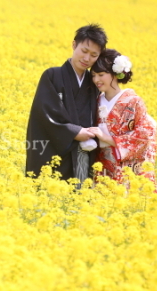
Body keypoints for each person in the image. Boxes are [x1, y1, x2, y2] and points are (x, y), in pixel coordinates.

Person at [25, 24, 107, 187]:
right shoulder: (52, 75)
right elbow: (45, 113)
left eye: (93, 55)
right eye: (84, 51)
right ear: (74, 45)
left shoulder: (93, 82)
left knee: (79, 196)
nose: (87, 59)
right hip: (54, 150)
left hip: (83, 151)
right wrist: (75, 132)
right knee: (51, 194)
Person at [87, 49, 157, 191]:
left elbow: (144, 135)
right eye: (94, 75)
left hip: (126, 169)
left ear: (115, 74)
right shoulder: (94, 101)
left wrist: (106, 138)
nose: (96, 80)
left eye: (101, 75)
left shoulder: (133, 101)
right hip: (101, 167)